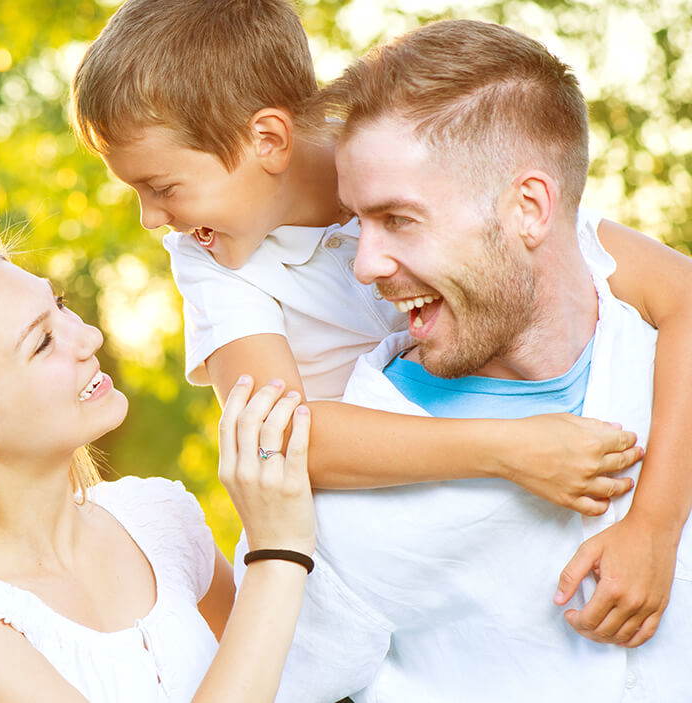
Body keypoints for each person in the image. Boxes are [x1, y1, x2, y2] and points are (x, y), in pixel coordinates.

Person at [72, 0, 692, 643]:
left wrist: (654, 523)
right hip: (388, 535)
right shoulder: (212, 260)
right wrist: (511, 449)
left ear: (268, 140)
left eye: (163, 187)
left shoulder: (399, 154)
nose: (149, 219)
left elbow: (674, 293)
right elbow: (278, 438)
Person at [272, 20, 692, 702]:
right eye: (357, 223)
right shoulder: (347, 501)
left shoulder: (660, 363)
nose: (365, 265)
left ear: (529, 208)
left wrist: (656, 523)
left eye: (399, 219)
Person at [0, 238, 318, 702]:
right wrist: (277, 555)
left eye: (61, 306)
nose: (87, 336)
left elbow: (287, 677)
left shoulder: (159, 521)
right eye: (42, 341)